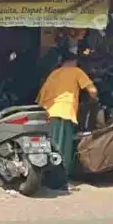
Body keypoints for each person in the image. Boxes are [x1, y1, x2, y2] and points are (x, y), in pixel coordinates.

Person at [36, 49, 98, 190]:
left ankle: (48, 179)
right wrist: (95, 99)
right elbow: (92, 91)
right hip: (64, 112)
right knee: (63, 149)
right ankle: (62, 182)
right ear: (74, 62)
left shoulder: (53, 73)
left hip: (48, 113)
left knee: (50, 146)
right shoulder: (75, 71)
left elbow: (40, 97)